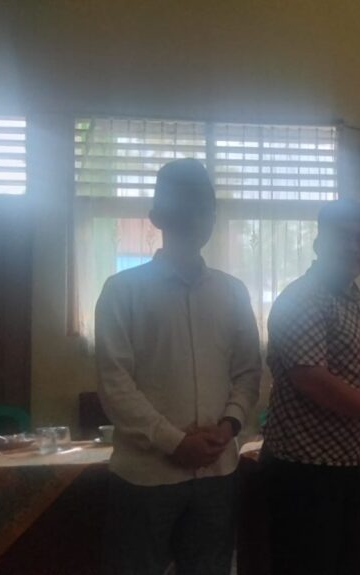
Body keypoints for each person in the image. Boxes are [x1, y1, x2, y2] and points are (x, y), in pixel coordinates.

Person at [95, 159, 261, 575]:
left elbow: (247, 372)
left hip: (217, 472)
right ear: (157, 216)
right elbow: (115, 384)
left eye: (204, 207)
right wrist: (174, 442)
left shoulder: (233, 292)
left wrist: (228, 426)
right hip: (145, 476)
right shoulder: (122, 291)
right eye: (182, 206)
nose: (195, 216)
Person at [261, 198, 360, 574]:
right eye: (343, 237)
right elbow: (312, 379)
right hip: (305, 468)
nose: (354, 247)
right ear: (319, 243)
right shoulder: (302, 298)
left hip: (352, 463)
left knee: (344, 563)